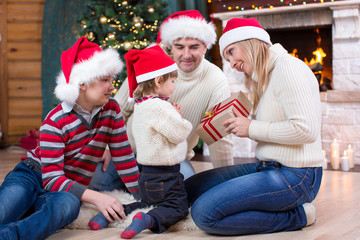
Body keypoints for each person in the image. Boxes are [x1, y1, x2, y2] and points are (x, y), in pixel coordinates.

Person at [185, 18, 324, 236]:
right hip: (268, 166)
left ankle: (298, 216)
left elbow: (306, 130)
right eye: (226, 57)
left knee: (204, 214)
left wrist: (251, 128)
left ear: (250, 41)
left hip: (298, 176)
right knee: (189, 189)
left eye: (231, 51)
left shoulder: (289, 68)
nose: (231, 63)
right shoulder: (265, 77)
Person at [0, 36, 140, 240]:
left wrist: (145, 197)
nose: (112, 87)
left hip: (64, 187)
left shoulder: (112, 110)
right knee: (6, 210)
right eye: (105, 80)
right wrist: (97, 198)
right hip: (32, 175)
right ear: (82, 83)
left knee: (69, 205)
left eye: (112, 80)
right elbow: (51, 178)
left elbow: (125, 158)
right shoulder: (55, 121)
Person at [111, 10, 234, 179]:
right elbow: (118, 109)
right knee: (104, 189)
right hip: (128, 150)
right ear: (170, 46)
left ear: (206, 46)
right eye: (179, 47)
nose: (186, 55)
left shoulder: (216, 79)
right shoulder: (151, 63)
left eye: (194, 47)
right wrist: (106, 148)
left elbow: (219, 136)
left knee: (185, 194)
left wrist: (227, 180)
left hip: (171, 159)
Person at [89, 45, 192, 239]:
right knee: (178, 207)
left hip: (146, 175)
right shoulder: (159, 107)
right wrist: (180, 118)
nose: (174, 85)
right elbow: (178, 132)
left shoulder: (141, 105)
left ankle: (106, 216)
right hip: (166, 175)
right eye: (172, 80)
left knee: (145, 202)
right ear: (158, 80)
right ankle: (148, 220)